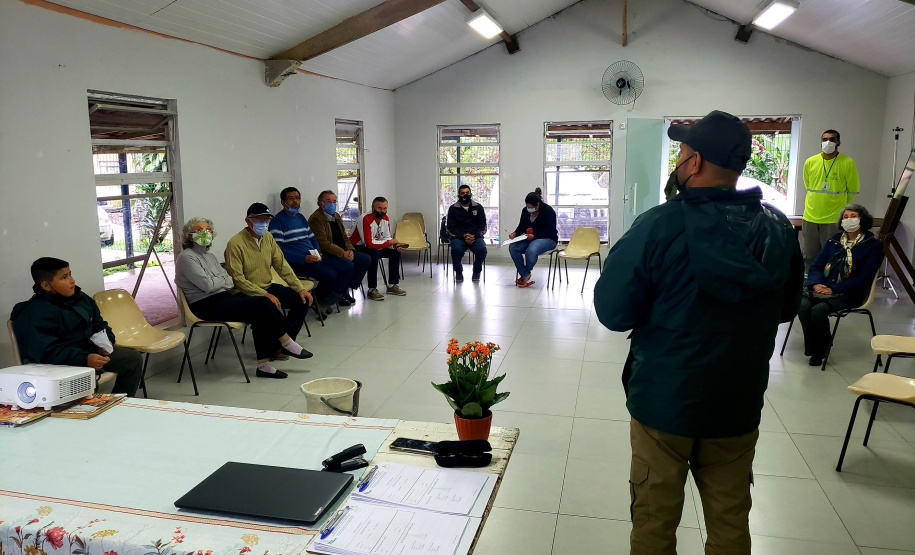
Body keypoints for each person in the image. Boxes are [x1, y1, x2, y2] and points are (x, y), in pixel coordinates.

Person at [594, 110, 803, 555]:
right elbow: (785, 308)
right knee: (730, 522)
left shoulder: (658, 225)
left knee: (654, 521)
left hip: (664, 401)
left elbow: (613, 311)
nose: (680, 159)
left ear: (696, 163)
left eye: (684, 151)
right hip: (737, 402)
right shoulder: (779, 229)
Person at [175, 217, 313, 379]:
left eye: (208, 230)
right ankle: (287, 342)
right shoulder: (186, 257)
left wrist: (217, 281)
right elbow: (207, 285)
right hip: (204, 304)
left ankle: (263, 365)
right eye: (199, 229)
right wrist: (219, 281)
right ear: (189, 234)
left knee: (261, 309)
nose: (205, 232)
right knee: (261, 303)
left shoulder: (209, 256)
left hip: (223, 297)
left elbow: (229, 281)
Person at [10, 257, 143, 396]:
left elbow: (99, 323)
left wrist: (106, 342)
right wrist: (84, 359)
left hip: (89, 352)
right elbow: (47, 352)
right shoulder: (35, 312)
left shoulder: (80, 298)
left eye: (70, 274)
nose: (72, 280)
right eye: (64, 277)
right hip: (63, 365)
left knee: (132, 359)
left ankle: (120, 404)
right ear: (46, 286)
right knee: (84, 380)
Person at [223, 203, 315, 379]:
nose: (263, 223)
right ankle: (280, 346)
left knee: (301, 300)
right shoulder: (235, 243)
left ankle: (281, 346)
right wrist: (263, 294)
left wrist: (300, 288)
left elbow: (282, 265)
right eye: (259, 219)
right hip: (245, 291)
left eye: (266, 219)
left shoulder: (268, 238)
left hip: (267, 285)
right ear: (248, 221)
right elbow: (238, 279)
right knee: (265, 308)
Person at [799, 204, 883, 366]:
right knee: (802, 306)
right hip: (821, 288)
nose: (848, 220)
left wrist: (833, 288)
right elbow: (817, 265)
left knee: (818, 311)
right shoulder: (834, 240)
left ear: (862, 220)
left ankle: (821, 350)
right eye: (845, 217)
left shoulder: (872, 245)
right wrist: (816, 284)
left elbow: (864, 278)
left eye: (853, 216)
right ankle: (815, 346)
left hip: (848, 293)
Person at [269, 187, 354, 308]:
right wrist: (303, 259)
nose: (295, 201)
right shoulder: (277, 221)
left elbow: (313, 238)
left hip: (314, 257)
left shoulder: (300, 218)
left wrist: (318, 253)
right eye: (290, 198)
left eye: (297, 198)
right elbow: (278, 250)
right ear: (283, 202)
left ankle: (322, 300)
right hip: (297, 262)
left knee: (347, 265)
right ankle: (317, 302)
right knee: (330, 274)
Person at [801, 129, 860, 268]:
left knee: (831, 255)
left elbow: (853, 190)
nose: (828, 142)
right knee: (809, 255)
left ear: (838, 142)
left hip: (833, 219)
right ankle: (810, 285)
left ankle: (828, 286)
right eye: (825, 139)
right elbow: (808, 185)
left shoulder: (847, 162)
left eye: (832, 139)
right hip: (810, 217)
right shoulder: (810, 162)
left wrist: (836, 205)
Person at [308, 191, 370, 301]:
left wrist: (350, 249)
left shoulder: (336, 216)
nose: (332, 204)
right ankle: (335, 295)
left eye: (334, 201)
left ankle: (344, 289)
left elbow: (344, 236)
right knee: (347, 264)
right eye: (328, 201)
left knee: (365, 259)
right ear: (320, 202)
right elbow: (323, 244)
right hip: (328, 254)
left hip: (342, 251)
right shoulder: (316, 218)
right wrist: (342, 253)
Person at [350, 197, 408, 301]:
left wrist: (396, 245)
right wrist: (390, 242)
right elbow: (368, 243)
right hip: (357, 246)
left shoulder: (385, 219)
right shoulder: (365, 218)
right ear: (372, 208)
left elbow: (386, 238)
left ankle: (392, 286)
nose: (382, 211)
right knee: (374, 253)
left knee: (395, 252)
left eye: (385, 208)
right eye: (379, 208)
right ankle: (372, 289)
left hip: (375, 245)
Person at [508, 188, 558, 288]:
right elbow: (522, 226)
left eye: (531, 207)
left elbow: (550, 231)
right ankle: (525, 274)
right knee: (513, 247)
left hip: (548, 239)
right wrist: (515, 233)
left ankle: (525, 273)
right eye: (527, 206)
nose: (529, 209)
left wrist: (535, 236)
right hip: (530, 238)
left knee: (532, 249)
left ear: (538, 204)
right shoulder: (525, 211)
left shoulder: (548, 211)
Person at [447, 184, 487, 282]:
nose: (465, 195)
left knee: (482, 250)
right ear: (458, 195)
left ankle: (476, 271)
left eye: (467, 193)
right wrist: (463, 236)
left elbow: (483, 227)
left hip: (476, 237)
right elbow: (450, 227)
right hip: (459, 237)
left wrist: (474, 236)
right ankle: (459, 272)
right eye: (462, 193)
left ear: (471, 194)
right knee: (456, 249)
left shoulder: (478, 207)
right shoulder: (453, 209)